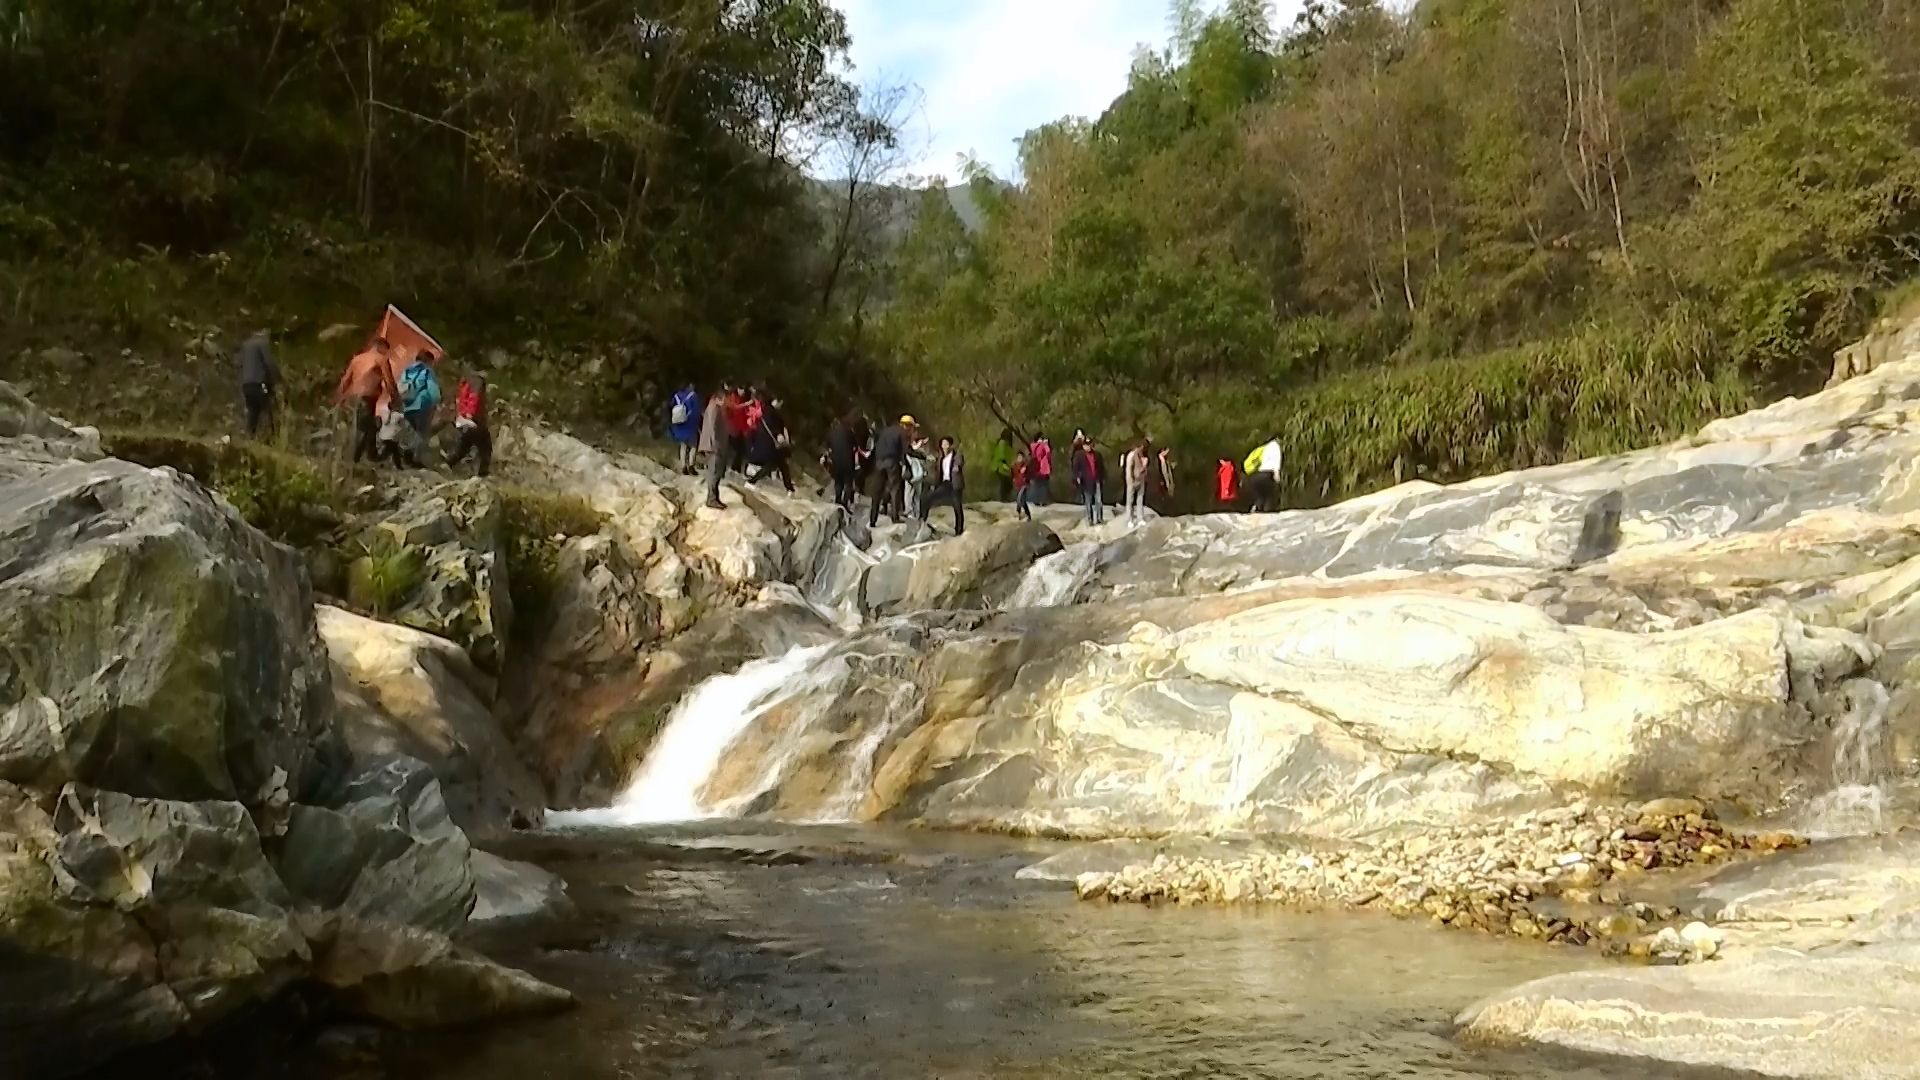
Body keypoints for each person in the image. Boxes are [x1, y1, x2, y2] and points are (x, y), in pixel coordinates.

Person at [337, 337, 400, 464]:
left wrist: (339, 397)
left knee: (365, 426)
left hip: (353, 397)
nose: (386, 353)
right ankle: (354, 458)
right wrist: (395, 398)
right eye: (386, 350)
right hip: (368, 397)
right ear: (380, 347)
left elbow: (345, 380)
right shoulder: (381, 359)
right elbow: (389, 380)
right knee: (364, 428)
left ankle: (371, 455)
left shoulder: (357, 359)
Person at [447, 368, 492, 477]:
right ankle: (482, 473)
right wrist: (470, 414)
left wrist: (461, 414)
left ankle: (448, 463)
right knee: (486, 446)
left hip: (463, 419)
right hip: (473, 420)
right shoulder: (477, 381)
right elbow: (474, 398)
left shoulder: (467, 380)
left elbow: (460, 398)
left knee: (464, 447)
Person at [868, 415, 912, 527]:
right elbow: (906, 450)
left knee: (877, 491)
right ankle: (895, 517)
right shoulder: (902, 432)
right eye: (910, 426)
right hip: (892, 462)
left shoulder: (885, 431)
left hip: (879, 462)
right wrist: (907, 463)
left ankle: (873, 520)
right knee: (895, 489)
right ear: (906, 425)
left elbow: (877, 445)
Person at [236, 330, 280, 438]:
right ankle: (271, 438)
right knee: (268, 410)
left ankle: (250, 437)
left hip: (246, 385)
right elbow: (269, 363)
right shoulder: (262, 343)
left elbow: (240, 364)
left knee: (253, 411)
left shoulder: (245, 345)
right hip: (259, 383)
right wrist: (277, 377)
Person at [750, 395, 796, 493]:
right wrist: (778, 434)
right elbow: (772, 425)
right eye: (780, 402)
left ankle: (790, 489)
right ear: (776, 401)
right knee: (772, 465)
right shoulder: (769, 411)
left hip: (773, 444)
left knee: (782, 465)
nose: (780, 405)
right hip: (770, 443)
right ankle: (751, 481)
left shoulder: (771, 411)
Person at [921, 435, 966, 535]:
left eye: (946, 444)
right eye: (942, 444)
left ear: (950, 445)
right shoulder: (941, 457)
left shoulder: (956, 455)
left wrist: (957, 467)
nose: (944, 446)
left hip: (954, 484)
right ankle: (922, 521)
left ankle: (959, 529)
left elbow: (960, 462)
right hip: (945, 483)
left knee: (957, 506)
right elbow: (937, 470)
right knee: (928, 497)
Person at [702, 381, 733, 510]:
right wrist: (716, 445)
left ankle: (715, 497)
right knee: (714, 472)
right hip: (714, 446)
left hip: (717, 444)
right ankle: (711, 498)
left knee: (717, 472)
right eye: (726, 399)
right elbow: (713, 429)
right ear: (720, 398)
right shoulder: (714, 408)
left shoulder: (716, 407)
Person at [400, 351, 441, 440]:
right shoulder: (427, 371)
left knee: (410, 435)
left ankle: (406, 452)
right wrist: (437, 402)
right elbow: (433, 391)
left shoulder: (407, 371)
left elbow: (401, 387)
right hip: (422, 407)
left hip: (407, 407)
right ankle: (418, 452)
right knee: (422, 435)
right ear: (428, 360)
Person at [826, 412, 860, 510]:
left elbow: (828, 447)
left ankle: (838, 499)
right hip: (848, 461)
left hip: (836, 461)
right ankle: (845, 502)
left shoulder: (831, 433)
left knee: (838, 481)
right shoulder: (849, 432)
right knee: (848, 483)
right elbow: (855, 446)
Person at [1243, 435, 1284, 513]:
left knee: (1260, 497)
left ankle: (1255, 512)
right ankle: (1267, 516)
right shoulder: (1275, 447)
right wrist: (1277, 474)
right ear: (1277, 439)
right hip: (1267, 475)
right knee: (1269, 497)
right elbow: (1275, 461)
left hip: (1256, 475)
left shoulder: (1265, 448)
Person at [668, 383, 702, 475]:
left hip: (680, 424)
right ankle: (691, 465)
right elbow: (697, 410)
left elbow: (671, 406)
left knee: (683, 445)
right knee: (693, 445)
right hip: (690, 424)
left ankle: (683, 466)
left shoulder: (676, 395)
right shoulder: (693, 396)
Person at [1073, 437, 1106, 526]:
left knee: (1099, 500)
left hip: (1097, 480)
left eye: (1089, 444)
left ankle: (1099, 518)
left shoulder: (1097, 455)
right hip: (1086, 481)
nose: (1088, 447)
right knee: (1088, 501)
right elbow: (1075, 467)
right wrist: (1077, 477)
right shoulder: (1079, 455)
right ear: (1083, 446)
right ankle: (1090, 519)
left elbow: (1101, 467)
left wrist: (1103, 478)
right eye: (1086, 445)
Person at [1122, 438, 1152, 527]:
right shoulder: (1131, 455)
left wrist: (1144, 465)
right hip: (1132, 480)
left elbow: (1144, 470)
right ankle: (1129, 519)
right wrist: (1130, 480)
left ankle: (1140, 518)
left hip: (1141, 480)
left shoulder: (1144, 456)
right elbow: (1128, 469)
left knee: (1140, 499)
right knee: (1130, 500)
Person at [904, 432, 931, 520]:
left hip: (916, 475)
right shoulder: (909, 448)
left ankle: (915, 513)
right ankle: (911, 512)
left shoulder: (919, 453)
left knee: (914, 494)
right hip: (913, 474)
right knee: (911, 494)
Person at [989, 427, 1017, 502]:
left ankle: (1005, 498)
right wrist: (1004, 463)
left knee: (1007, 483)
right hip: (1000, 466)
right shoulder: (1002, 442)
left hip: (1005, 467)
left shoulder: (1007, 444)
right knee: (1005, 482)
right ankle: (1003, 499)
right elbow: (1002, 453)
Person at [1029, 431, 1054, 506]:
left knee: (1037, 485)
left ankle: (1036, 500)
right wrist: (1045, 444)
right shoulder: (1042, 445)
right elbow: (1048, 452)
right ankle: (1042, 501)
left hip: (1036, 468)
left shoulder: (1033, 446)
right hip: (1043, 468)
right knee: (1043, 485)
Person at [1011, 450, 1033, 522]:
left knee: (1019, 499)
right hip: (1017, 484)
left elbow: (1029, 474)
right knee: (1022, 501)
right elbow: (1013, 474)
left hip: (1024, 485)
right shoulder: (1014, 466)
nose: (1019, 458)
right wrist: (1013, 478)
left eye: (1021, 457)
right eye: (1018, 457)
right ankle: (1025, 514)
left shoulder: (1025, 466)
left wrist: (1026, 478)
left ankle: (1020, 513)